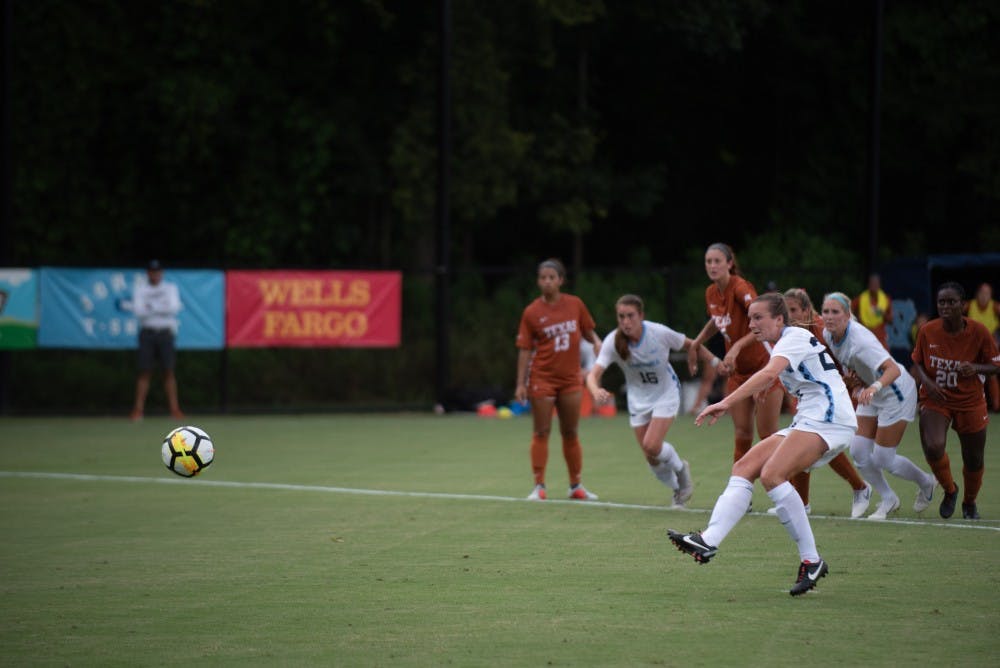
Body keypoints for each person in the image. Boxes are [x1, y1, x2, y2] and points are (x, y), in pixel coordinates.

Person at [668, 293, 857, 596]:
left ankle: (812, 560)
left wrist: (725, 402)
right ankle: (708, 540)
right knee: (745, 466)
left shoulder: (792, 336)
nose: (752, 324)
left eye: (759, 318)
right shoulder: (780, 343)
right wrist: (769, 383)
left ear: (779, 319)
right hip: (810, 419)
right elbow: (785, 374)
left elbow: (770, 372)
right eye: (750, 318)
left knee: (772, 475)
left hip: (830, 419)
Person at [585, 294, 717, 506]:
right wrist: (595, 390)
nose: (626, 322)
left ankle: (682, 471)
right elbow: (592, 376)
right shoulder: (613, 341)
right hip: (638, 399)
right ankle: (678, 489)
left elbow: (692, 344)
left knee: (652, 444)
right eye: (621, 317)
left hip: (666, 393)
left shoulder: (658, 333)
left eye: (630, 316)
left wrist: (716, 361)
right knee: (651, 457)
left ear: (641, 316)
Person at [821, 291, 936, 519]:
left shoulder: (860, 341)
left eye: (836, 312)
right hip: (871, 391)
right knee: (859, 451)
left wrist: (873, 388)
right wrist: (856, 387)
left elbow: (892, 369)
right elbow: (850, 370)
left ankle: (927, 482)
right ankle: (888, 498)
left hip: (895, 391)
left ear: (847, 316)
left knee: (884, 458)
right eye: (826, 311)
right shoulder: (828, 334)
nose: (829, 317)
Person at [773, 288, 872, 518]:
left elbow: (848, 352)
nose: (790, 316)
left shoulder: (820, 328)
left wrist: (850, 378)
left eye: (794, 310)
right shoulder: (791, 332)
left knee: (814, 444)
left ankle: (860, 487)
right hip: (813, 395)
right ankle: (804, 503)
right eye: (786, 312)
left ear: (807, 310)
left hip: (833, 394)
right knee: (805, 443)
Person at [515, 258, 603, 501]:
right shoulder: (532, 312)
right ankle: (538, 486)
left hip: (570, 378)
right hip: (541, 378)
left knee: (571, 432)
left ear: (561, 280)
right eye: (543, 278)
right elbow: (524, 349)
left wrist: (596, 342)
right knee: (541, 431)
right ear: (538, 281)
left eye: (552, 277)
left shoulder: (574, 304)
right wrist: (520, 383)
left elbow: (587, 330)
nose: (547, 281)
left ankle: (576, 486)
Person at [910, 282, 1000, 520]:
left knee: (974, 458)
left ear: (963, 305)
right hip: (936, 399)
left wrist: (976, 367)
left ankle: (969, 503)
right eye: (942, 302)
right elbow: (917, 360)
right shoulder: (928, 330)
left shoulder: (979, 332)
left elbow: (995, 366)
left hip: (970, 402)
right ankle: (950, 490)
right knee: (933, 446)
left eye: (951, 302)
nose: (946, 306)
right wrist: (927, 384)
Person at [687, 243, 783, 464]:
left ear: (729, 263)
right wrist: (697, 343)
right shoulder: (711, 292)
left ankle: (783, 490)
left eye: (717, 261)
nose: (712, 265)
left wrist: (737, 346)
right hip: (738, 373)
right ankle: (741, 493)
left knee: (768, 435)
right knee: (742, 435)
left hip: (763, 368)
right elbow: (718, 320)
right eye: (708, 262)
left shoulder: (740, 287)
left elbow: (762, 321)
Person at [129, 260, 184, 421]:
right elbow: (139, 311)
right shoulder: (140, 290)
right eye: (152, 271)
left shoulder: (170, 288)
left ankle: (175, 409)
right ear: (148, 273)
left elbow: (174, 308)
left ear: (162, 273)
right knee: (144, 371)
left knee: (168, 371)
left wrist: (151, 307)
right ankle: (138, 410)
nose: (155, 274)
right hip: (147, 333)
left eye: (158, 271)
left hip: (165, 333)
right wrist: (161, 306)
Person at [964, 282, 1000, 411]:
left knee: (992, 374)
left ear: (991, 295)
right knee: (967, 373)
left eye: (987, 294)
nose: (984, 296)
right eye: (982, 293)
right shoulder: (969, 306)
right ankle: (968, 405)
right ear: (977, 294)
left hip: (990, 348)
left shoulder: (995, 307)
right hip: (971, 347)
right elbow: (954, 320)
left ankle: (996, 407)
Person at [851, 273, 893, 351]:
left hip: (880, 338)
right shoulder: (861, 298)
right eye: (872, 283)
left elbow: (891, 320)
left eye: (876, 284)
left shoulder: (886, 299)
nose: (874, 286)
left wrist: (882, 313)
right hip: (863, 336)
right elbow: (848, 309)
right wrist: (857, 319)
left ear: (879, 285)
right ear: (868, 285)